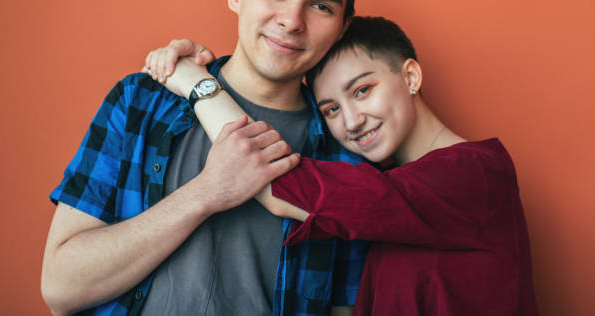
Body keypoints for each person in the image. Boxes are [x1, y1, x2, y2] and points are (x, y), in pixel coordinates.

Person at [41, 0, 369, 316]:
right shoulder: (141, 102)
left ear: (342, 28)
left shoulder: (348, 154)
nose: (291, 20)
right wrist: (207, 192)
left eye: (320, 6)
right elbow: (61, 287)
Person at [145, 16, 539, 316]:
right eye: (331, 109)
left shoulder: (476, 172)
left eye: (363, 90)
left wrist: (198, 85)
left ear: (411, 76)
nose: (351, 121)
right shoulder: (384, 187)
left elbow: (273, 182)